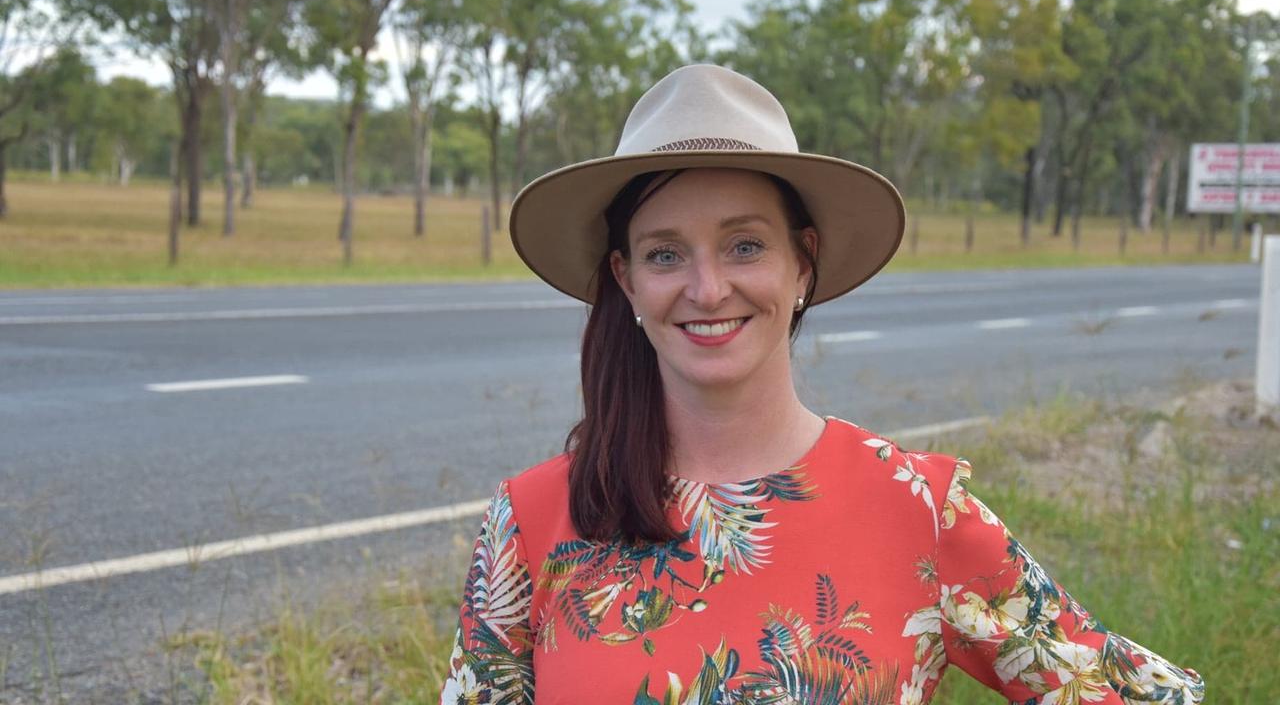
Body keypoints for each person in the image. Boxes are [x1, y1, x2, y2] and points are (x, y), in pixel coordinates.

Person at [441, 65, 1204, 705]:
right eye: (665, 254)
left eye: (744, 245)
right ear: (626, 279)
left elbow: (1140, 693)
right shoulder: (533, 522)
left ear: (802, 262)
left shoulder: (918, 508)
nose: (707, 289)